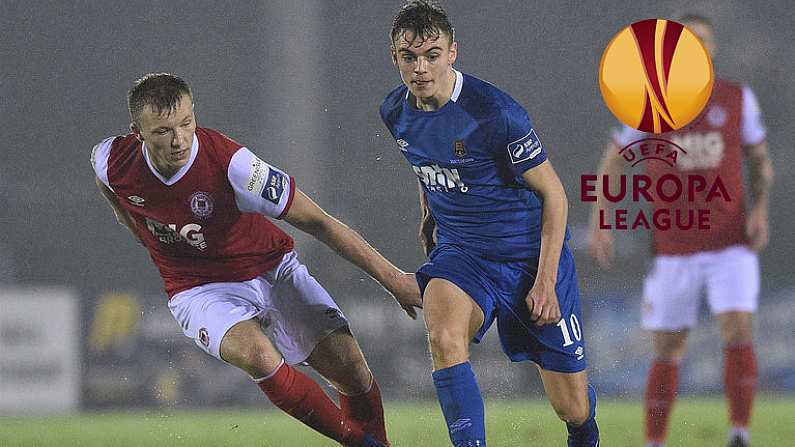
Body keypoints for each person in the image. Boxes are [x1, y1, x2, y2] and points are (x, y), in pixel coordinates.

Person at [91, 73, 422, 447]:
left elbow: (319, 222)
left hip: (271, 269)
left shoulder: (233, 165)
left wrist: (395, 280)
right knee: (258, 356)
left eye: (186, 123)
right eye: (163, 131)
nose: (179, 139)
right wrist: (135, 226)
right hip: (198, 289)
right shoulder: (115, 161)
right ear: (138, 133)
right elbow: (103, 175)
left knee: (351, 371)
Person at [379, 2, 600, 446]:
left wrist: (546, 280)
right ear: (395, 58)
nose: (421, 68)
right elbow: (426, 160)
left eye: (433, 55)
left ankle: (586, 435)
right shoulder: (395, 112)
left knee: (571, 408)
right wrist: (428, 211)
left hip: (527, 258)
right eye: (409, 57)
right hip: (463, 255)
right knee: (443, 337)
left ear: (453, 53)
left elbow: (554, 194)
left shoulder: (495, 113)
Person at [587, 14, 773, 447]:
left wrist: (760, 209)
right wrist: (601, 220)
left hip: (731, 244)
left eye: (703, 42)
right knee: (668, 347)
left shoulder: (737, 98)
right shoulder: (650, 103)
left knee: (738, 327)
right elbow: (614, 159)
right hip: (672, 247)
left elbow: (759, 160)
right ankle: (655, 441)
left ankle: (739, 433)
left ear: (712, 51)